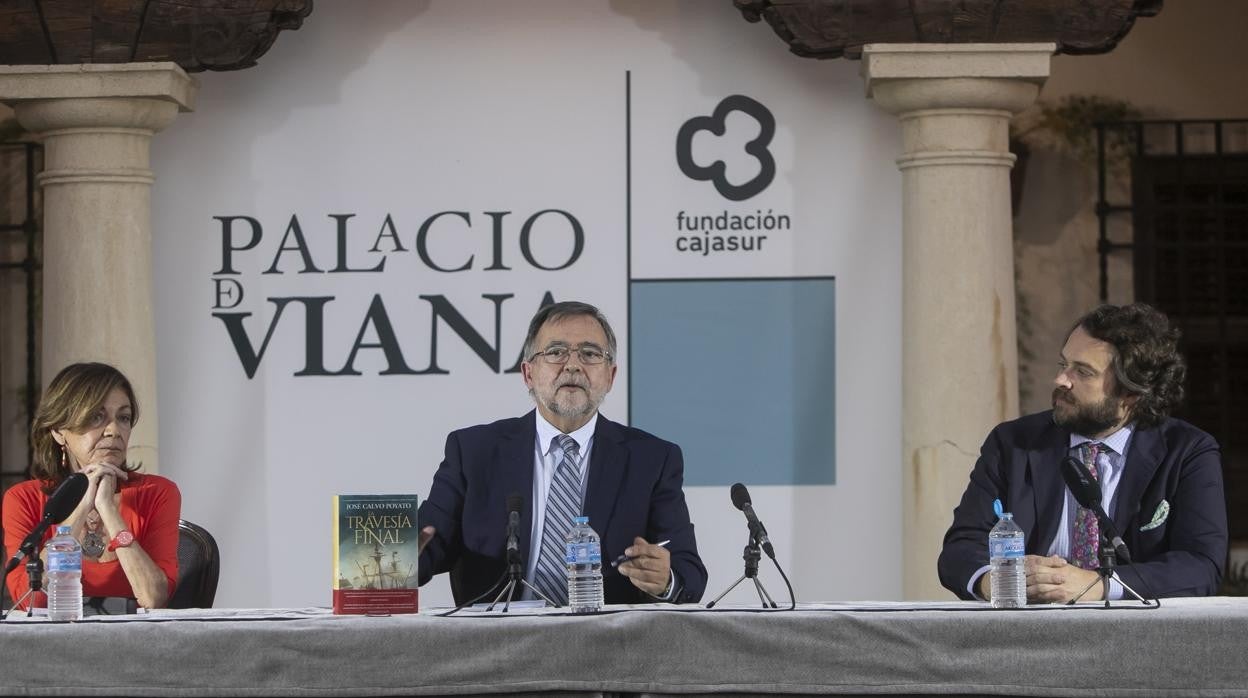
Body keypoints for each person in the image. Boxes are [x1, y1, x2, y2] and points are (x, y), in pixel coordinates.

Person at [416, 301, 707, 605]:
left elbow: (689, 574)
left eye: (590, 354)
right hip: (497, 643)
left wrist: (665, 580)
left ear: (610, 376)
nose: (572, 365)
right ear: (528, 373)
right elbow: (427, 548)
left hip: (610, 644)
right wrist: (392, 561)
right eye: (556, 352)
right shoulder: (474, 452)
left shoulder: (651, 460)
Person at [939, 303, 1227, 603]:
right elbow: (960, 548)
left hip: (1133, 637)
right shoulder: (1013, 443)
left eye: (1083, 372)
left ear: (1132, 393)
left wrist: (1099, 585)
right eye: (1063, 364)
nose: (1061, 380)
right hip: (1026, 634)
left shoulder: (1188, 452)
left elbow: (1200, 566)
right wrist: (997, 582)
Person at [3, 363, 181, 610]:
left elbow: (154, 598)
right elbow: (30, 601)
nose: (114, 431)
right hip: (53, 646)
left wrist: (108, 509)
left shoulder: (157, 493)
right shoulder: (25, 499)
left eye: (124, 418)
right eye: (96, 417)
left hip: (135, 645)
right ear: (58, 431)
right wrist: (81, 509)